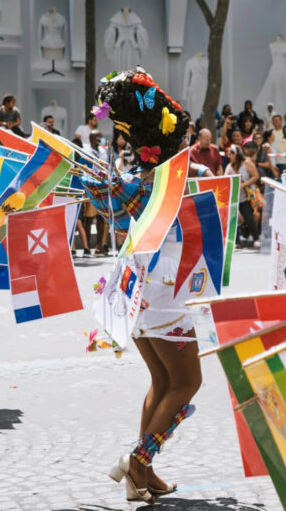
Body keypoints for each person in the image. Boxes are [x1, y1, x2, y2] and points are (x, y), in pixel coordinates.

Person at [93, 69, 201, 504]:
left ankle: (142, 473)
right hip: (162, 291)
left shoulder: (138, 177)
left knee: (162, 378)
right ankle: (138, 462)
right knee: (187, 381)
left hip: (136, 284)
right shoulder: (168, 177)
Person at [226, 143, 261, 247]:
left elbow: (256, 176)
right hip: (234, 197)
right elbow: (225, 179)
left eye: (231, 153)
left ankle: (256, 239)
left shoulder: (247, 163)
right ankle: (236, 242)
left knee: (249, 218)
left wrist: (244, 184)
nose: (229, 156)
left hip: (246, 196)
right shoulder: (229, 166)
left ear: (236, 154)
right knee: (234, 218)